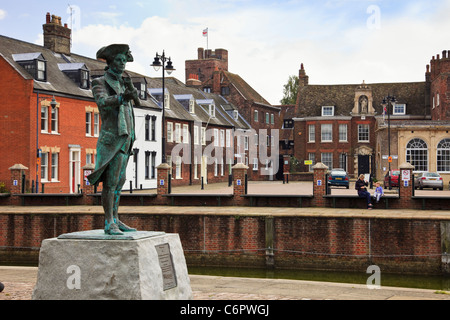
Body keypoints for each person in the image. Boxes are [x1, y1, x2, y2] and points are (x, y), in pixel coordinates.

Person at [87, 44, 139, 235]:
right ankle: (109, 222)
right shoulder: (99, 82)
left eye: (124, 60)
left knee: (120, 181)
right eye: (119, 60)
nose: (122, 63)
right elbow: (102, 102)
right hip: (112, 139)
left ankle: (116, 218)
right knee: (110, 182)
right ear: (110, 62)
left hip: (126, 139)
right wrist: (121, 98)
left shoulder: (124, 82)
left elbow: (137, 102)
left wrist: (131, 92)